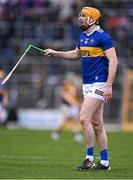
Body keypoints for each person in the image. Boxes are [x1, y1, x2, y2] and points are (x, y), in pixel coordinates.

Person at [44, 6, 118, 171]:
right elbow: (75, 54)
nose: (80, 18)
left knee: (84, 117)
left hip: (99, 83)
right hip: (87, 84)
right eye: (80, 16)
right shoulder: (83, 36)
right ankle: (105, 163)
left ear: (92, 19)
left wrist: (108, 85)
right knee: (97, 124)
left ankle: (89, 159)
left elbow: (113, 61)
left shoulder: (103, 37)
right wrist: (55, 52)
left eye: (83, 16)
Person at [51, 73, 83, 142]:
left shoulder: (72, 87)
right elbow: (67, 98)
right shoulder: (66, 87)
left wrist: (77, 103)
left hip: (72, 107)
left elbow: (73, 98)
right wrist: (77, 104)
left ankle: (77, 135)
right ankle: (56, 132)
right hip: (66, 107)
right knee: (66, 121)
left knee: (72, 121)